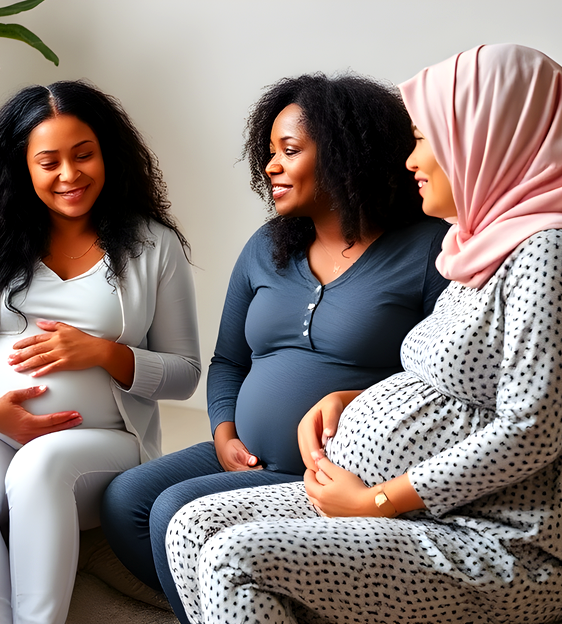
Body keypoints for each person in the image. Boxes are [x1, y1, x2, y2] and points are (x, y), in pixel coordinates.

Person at [165, 43, 562, 624]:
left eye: (426, 138)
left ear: (486, 137)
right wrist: (352, 401)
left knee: (233, 556)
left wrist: (376, 500)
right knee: (192, 525)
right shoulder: (484, 247)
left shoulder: (558, 252)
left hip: (512, 537)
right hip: (428, 510)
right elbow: (454, 383)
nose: (410, 159)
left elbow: (530, 430)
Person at [101, 73, 449, 620]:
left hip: (340, 470)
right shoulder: (267, 247)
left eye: (290, 151)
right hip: (249, 456)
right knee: (127, 500)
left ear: (346, 156)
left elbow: (442, 383)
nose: (270, 166)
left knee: (171, 509)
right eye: (269, 152)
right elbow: (228, 362)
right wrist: (223, 434)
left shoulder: (429, 250)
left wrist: (353, 400)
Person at [0, 79, 201, 624]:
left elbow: (185, 374)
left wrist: (105, 353)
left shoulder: (155, 245)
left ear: (109, 155)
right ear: (22, 167)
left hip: (100, 442)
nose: (69, 175)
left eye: (84, 155)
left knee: (40, 465)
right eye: (48, 161)